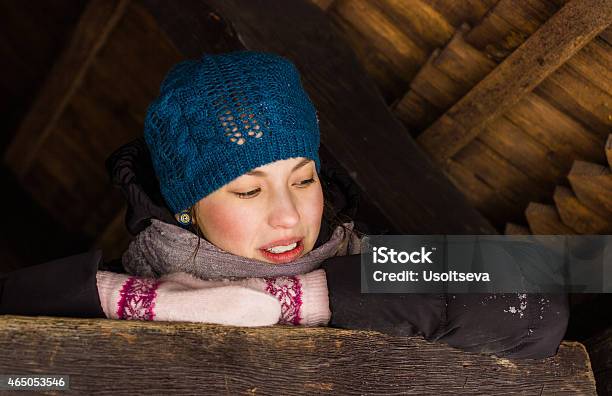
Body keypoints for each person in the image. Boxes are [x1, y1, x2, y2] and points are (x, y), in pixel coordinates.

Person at [0, 51, 569, 358]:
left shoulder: (367, 259)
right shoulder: (126, 290)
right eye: (247, 190)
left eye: (303, 179)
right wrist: (153, 303)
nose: (290, 216)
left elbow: (539, 299)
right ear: (184, 208)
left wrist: (293, 298)